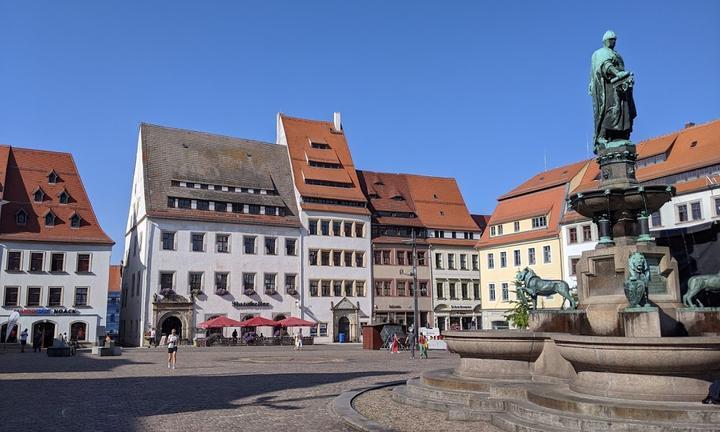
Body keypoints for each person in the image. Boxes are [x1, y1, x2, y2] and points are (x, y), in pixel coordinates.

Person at [589, 30, 636, 154]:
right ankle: (602, 136)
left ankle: (619, 135)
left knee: (623, 110)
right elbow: (605, 65)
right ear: (606, 41)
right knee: (611, 110)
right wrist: (617, 73)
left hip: (620, 87)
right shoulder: (600, 53)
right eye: (612, 39)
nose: (614, 42)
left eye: (615, 40)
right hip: (609, 87)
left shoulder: (615, 53)